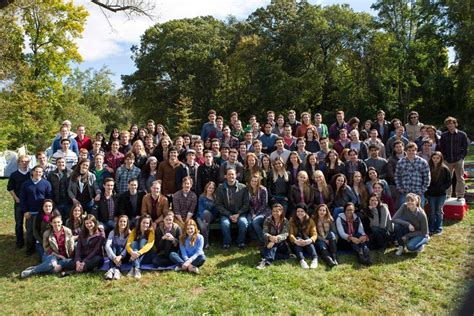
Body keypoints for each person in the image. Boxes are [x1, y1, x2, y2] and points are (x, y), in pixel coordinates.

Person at [20, 211, 75, 278]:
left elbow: (71, 246)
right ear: (51, 223)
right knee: (51, 264)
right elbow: (47, 249)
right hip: (51, 255)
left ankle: (52, 267)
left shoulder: (68, 231)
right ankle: (32, 271)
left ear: (61, 222)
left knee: (57, 268)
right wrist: (58, 256)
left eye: (58, 222)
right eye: (54, 222)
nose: (56, 224)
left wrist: (68, 257)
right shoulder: (47, 233)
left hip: (64, 257)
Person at [20, 165, 53, 256]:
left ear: (42, 173)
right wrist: (25, 211)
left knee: (42, 231)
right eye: (36, 171)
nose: (38, 173)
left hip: (43, 213)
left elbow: (49, 198)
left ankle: (44, 247)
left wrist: (48, 210)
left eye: (40, 172)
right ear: (32, 172)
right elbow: (22, 199)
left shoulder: (46, 183)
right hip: (30, 213)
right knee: (30, 231)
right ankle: (30, 249)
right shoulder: (26, 184)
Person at [215, 168, 250, 249]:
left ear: (236, 176)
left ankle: (240, 241)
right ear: (226, 176)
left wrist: (238, 214)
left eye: (232, 174)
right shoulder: (220, 188)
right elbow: (218, 204)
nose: (231, 176)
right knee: (225, 224)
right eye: (229, 174)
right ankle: (227, 242)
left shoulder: (243, 187)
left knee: (243, 223)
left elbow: (246, 204)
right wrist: (229, 215)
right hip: (226, 214)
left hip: (240, 213)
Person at [439, 116, 468, 199]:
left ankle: (460, 195)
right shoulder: (444, 135)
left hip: (458, 159)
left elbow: (465, 148)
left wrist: (462, 157)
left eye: (451, 123)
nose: (450, 125)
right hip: (447, 160)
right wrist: (444, 158)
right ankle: (448, 195)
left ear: (455, 124)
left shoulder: (462, 134)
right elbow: (442, 148)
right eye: (448, 124)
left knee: (460, 178)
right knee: (448, 178)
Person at [395, 142, 430, 207]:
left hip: (418, 192)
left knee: (419, 211)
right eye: (409, 150)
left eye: (413, 150)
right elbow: (397, 177)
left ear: (416, 151)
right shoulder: (400, 162)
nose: (411, 152)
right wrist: (400, 188)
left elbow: (427, 177)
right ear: (405, 151)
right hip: (405, 192)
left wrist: (422, 189)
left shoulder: (423, 162)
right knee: (404, 211)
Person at [256, 203, 290, 270]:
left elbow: (285, 234)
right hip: (269, 243)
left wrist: (276, 239)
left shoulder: (285, 221)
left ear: (281, 211)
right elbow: (264, 232)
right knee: (263, 252)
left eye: (277, 211)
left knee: (268, 249)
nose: (275, 213)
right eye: (273, 211)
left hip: (282, 245)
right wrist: (269, 237)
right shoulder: (268, 220)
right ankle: (286, 256)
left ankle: (266, 261)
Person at [425, 152, 452, 235]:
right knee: (432, 211)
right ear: (431, 159)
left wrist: (442, 188)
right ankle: (431, 227)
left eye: (438, 158)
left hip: (441, 194)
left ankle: (439, 228)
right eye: (434, 158)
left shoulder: (445, 169)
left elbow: (449, 181)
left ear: (441, 159)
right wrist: (428, 190)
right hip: (431, 194)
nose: (435, 160)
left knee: (439, 211)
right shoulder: (428, 168)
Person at [7, 154, 30, 249]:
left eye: (26, 161)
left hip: (29, 203)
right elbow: (10, 188)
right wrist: (16, 198)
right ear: (19, 163)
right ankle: (19, 242)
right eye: (22, 161)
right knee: (19, 223)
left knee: (29, 224)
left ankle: (30, 242)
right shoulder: (14, 175)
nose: (24, 163)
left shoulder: (31, 174)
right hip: (19, 202)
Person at [288, 203, 318, 269]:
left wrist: (309, 240)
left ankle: (315, 259)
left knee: (307, 238)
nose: (300, 213)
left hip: (306, 241)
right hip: (297, 242)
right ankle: (302, 260)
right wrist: (295, 241)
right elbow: (291, 234)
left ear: (305, 212)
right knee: (297, 239)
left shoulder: (310, 221)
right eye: (298, 211)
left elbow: (314, 234)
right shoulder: (292, 220)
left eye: (302, 211)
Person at [104, 215, 130, 280]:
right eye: (120, 221)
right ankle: (112, 270)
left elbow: (128, 247)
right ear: (117, 222)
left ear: (127, 223)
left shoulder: (129, 233)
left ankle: (116, 270)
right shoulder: (112, 232)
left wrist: (120, 256)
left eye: (124, 221)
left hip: (124, 256)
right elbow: (107, 246)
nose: (122, 223)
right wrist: (114, 257)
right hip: (114, 257)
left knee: (120, 247)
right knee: (114, 246)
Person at [247, 174, 271, 245]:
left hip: (264, 211)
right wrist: (252, 213)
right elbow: (249, 204)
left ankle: (263, 240)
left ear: (258, 182)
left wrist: (256, 214)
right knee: (248, 222)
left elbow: (264, 204)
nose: (253, 183)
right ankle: (255, 240)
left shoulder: (263, 190)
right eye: (252, 181)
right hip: (252, 211)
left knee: (255, 222)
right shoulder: (248, 189)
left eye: (255, 181)